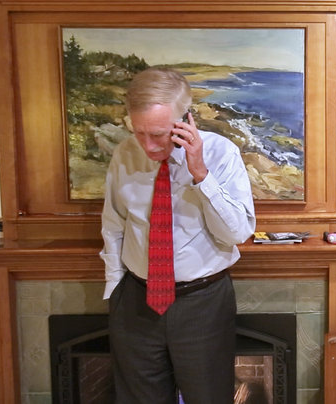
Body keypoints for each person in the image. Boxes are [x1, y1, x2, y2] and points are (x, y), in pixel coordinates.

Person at [100, 67, 256, 404]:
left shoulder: (221, 154)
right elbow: (114, 225)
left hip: (202, 302)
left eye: (158, 134)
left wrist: (201, 174)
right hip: (135, 301)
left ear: (187, 118)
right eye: (138, 132)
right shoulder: (125, 155)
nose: (147, 145)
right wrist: (115, 291)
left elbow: (237, 234)